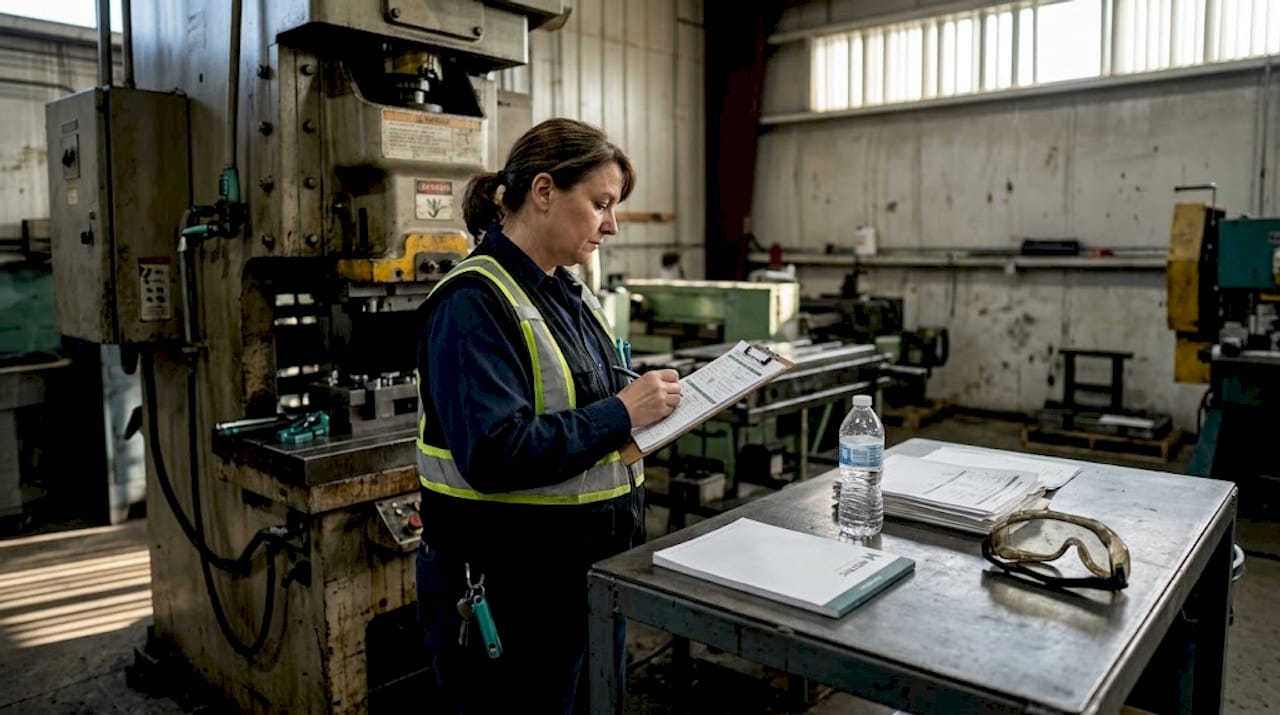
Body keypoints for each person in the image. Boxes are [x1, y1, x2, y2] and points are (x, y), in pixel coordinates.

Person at [414, 118, 683, 713]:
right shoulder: (475, 303)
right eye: (600, 205)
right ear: (543, 191)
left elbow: (582, 405)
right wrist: (621, 411)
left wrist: (646, 408)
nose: (610, 225)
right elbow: (493, 451)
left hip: (584, 581)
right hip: (514, 593)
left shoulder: (569, 293)